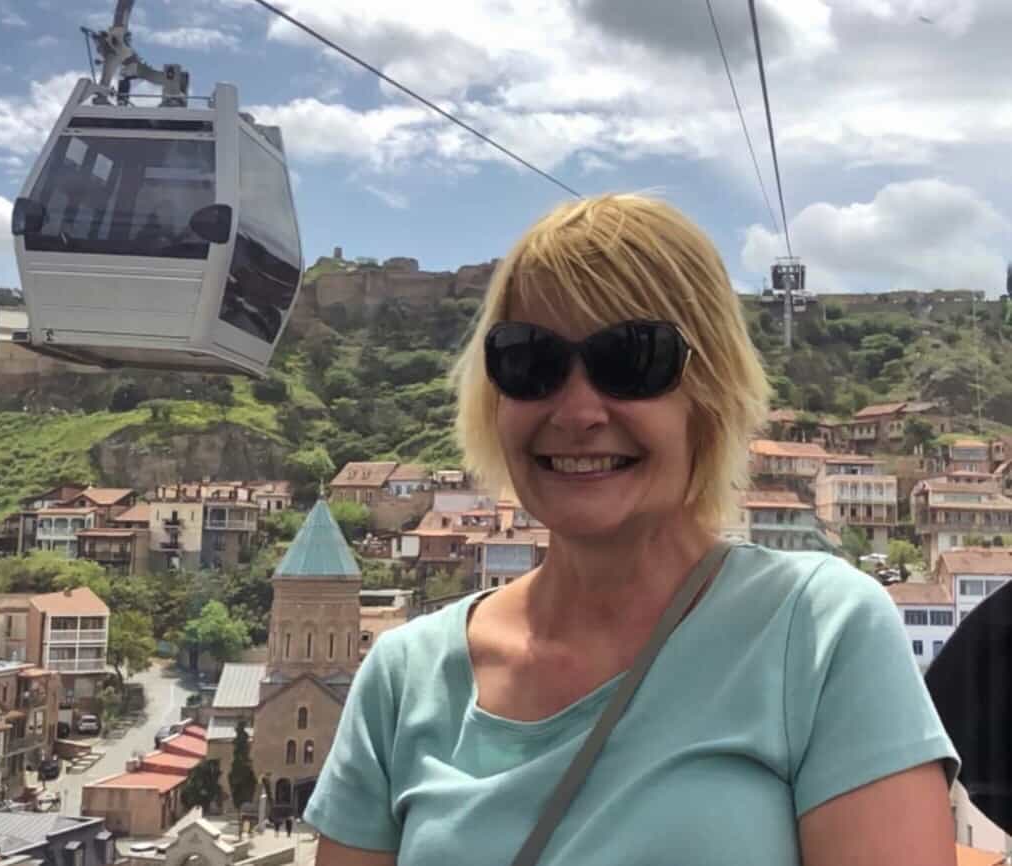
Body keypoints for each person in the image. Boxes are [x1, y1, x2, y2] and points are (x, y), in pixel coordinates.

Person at [304, 194, 959, 865]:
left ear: (709, 394)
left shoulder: (819, 633)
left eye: (632, 359)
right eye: (531, 361)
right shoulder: (402, 680)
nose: (577, 412)